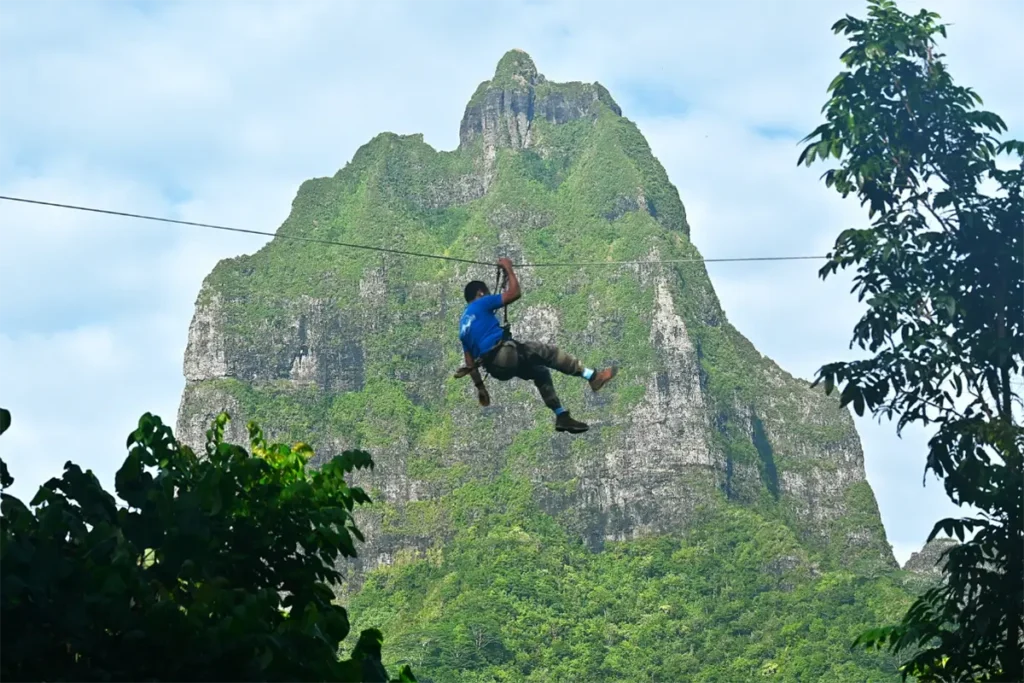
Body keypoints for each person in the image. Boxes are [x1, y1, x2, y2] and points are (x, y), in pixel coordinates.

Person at [454, 257, 617, 433]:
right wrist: (509, 269)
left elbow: (470, 365)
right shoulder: (481, 303)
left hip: (497, 369)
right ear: (480, 293)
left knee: (540, 372)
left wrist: (481, 388)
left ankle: (561, 415)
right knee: (547, 353)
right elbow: (515, 293)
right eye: (486, 294)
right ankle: (593, 377)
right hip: (504, 354)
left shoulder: (463, 327)